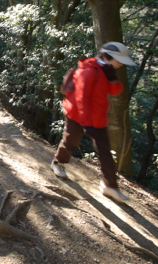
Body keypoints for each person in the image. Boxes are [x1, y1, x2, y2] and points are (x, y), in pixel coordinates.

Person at [50, 42, 137, 203]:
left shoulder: (106, 71)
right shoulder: (89, 71)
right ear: (107, 56)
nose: (120, 63)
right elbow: (81, 99)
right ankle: (58, 162)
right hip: (77, 113)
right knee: (71, 140)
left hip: (98, 117)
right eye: (118, 59)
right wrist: (86, 123)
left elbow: (116, 90)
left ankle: (109, 186)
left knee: (105, 151)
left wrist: (112, 78)